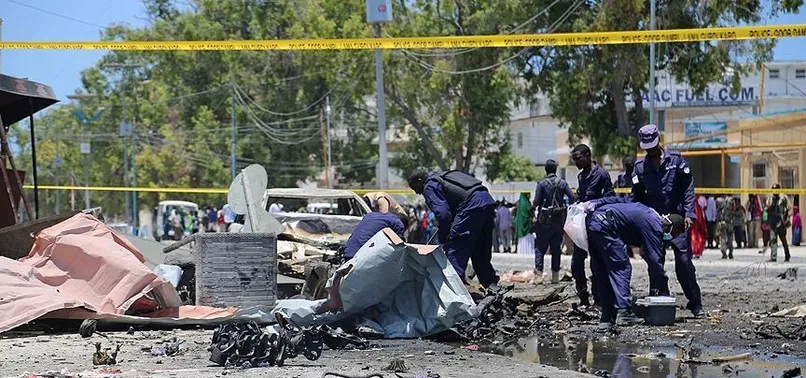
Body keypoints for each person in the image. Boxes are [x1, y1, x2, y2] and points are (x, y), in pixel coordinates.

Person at [631, 124, 704, 318]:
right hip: (653, 223)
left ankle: (695, 303)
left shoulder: (677, 161)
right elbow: (635, 199)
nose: (650, 150)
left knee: (684, 262)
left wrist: (690, 213)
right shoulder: (639, 168)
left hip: (677, 221)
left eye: (652, 145)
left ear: (659, 140)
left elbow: (688, 187)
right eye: (646, 146)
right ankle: (660, 300)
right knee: (654, 263)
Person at [583, 196, 686, 329]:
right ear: (670, 226)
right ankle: (624, 312)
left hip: (593, 222)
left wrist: (597, 202)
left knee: (603, 270)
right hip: (607, 225)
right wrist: (663, 292)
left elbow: (619, 200)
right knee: (621, 268)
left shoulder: (649, 214)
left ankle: (607, 317)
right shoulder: (655, 225)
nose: (674, 237)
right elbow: (655, 261)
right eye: (676, 233)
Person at [407, 169, 500, 289]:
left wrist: (443, 240)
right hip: (486, 200)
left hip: (471, 205)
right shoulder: (443, 177)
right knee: (480, 248)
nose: (416, 192)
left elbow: (443, 214)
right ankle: (491, 284)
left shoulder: (429, 186)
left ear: (420, 181)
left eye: (415, 188)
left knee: (456, 248)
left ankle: (453, 290)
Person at [571, 143, 615, 306]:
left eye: (578, 158)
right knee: (576, 264)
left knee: (597, 264)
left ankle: (599, 299)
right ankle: (583, 298)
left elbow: (611, 198)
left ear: (588, 155)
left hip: (597, 225)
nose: (576, 163)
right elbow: (580, 197)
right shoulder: (581, 177)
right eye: (574, 159)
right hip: (581, 225)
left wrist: (595, 204)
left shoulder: (602, 175)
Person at [532, 159, 573, 284]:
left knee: (540, 248)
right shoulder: (563, 183)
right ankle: (555, 277)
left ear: (546, 169)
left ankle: (539, 276)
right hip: (558, 221)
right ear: (555, 169)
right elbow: (572, 197)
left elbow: (537, 202)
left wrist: (533, 210)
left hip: (544, 221)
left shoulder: (542, 184)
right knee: (556, 248)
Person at [343, 212, 408, 260]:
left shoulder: (370, 215)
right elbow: (400, 247)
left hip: (348, 251)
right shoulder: (398, 223)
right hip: (362, 258)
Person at [762, 184, 791, 262]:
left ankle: (787, 255)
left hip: (780, 222)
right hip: (773, 222)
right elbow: (766, 208)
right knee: (773, 240)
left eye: (776, 189)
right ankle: (773, 257)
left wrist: (787, 217)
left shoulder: (783, 198)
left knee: (783, 239)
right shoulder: (770, 199)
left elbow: (789, 207)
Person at [717, 195, 734, 260]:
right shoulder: (731, 201)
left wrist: (718, 220)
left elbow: (718, 212)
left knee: (723, 238)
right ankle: (730, 253)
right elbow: (733, 211)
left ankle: (724, 254)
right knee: (730, 238)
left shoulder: (719, 201)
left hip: (723, 222)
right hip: (730, 222)